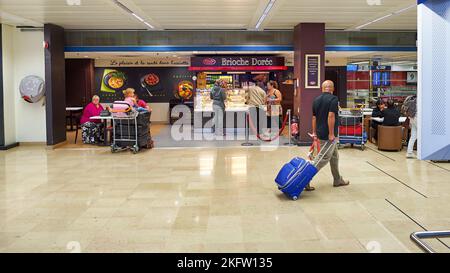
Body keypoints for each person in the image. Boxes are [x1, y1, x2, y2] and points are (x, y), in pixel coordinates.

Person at [310, 80, 350, 190]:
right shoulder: (334, 99)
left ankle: (337, 179)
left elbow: (314, 118)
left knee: (334, 156)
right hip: (328, 134)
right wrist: (331, 134)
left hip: (320, 132)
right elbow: (331, 116)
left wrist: (314, 133)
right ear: (332, 89)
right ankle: (305, 179)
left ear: (322, 88)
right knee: (322, 158)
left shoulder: (316, 100)